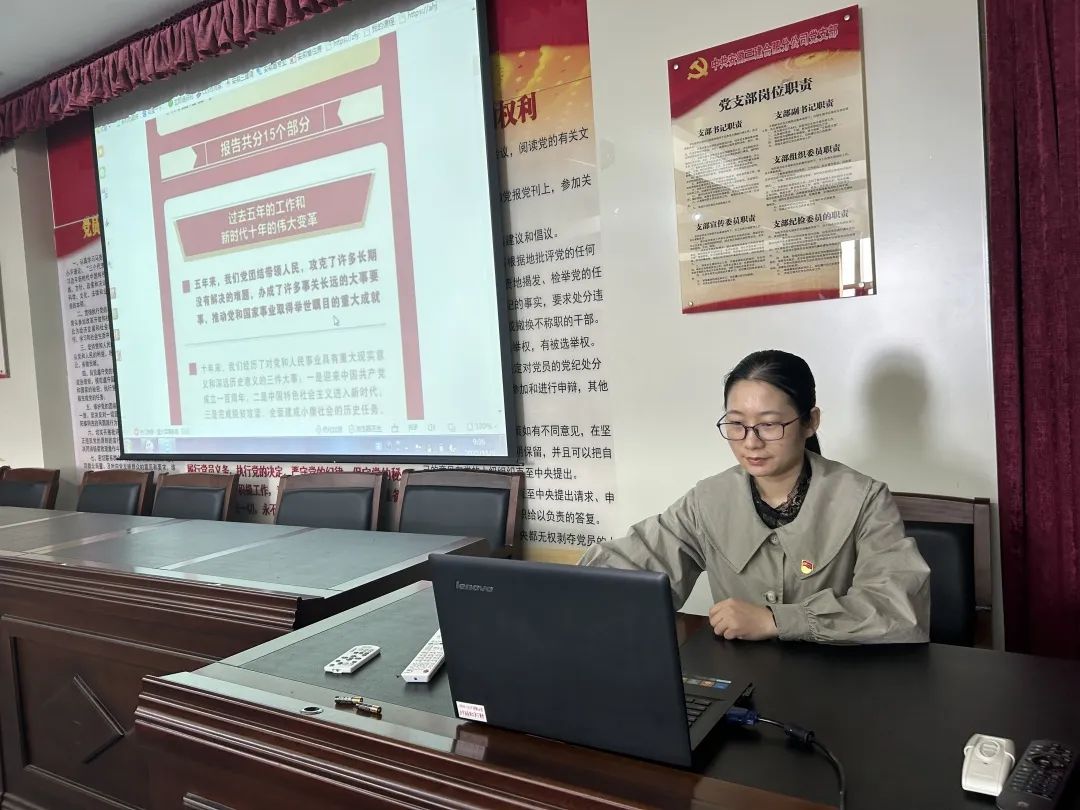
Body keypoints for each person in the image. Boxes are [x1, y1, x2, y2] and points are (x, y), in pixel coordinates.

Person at [579, 350, 930, 644]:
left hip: (843, 677)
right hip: (741, 682)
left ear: (810, 422)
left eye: (768, 424)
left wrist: (775, 620)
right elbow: (639, 563)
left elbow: (897, 609)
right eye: (736, 424)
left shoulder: (863, 498)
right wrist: (572, 591)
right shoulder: (708, 500)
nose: (750, 442)